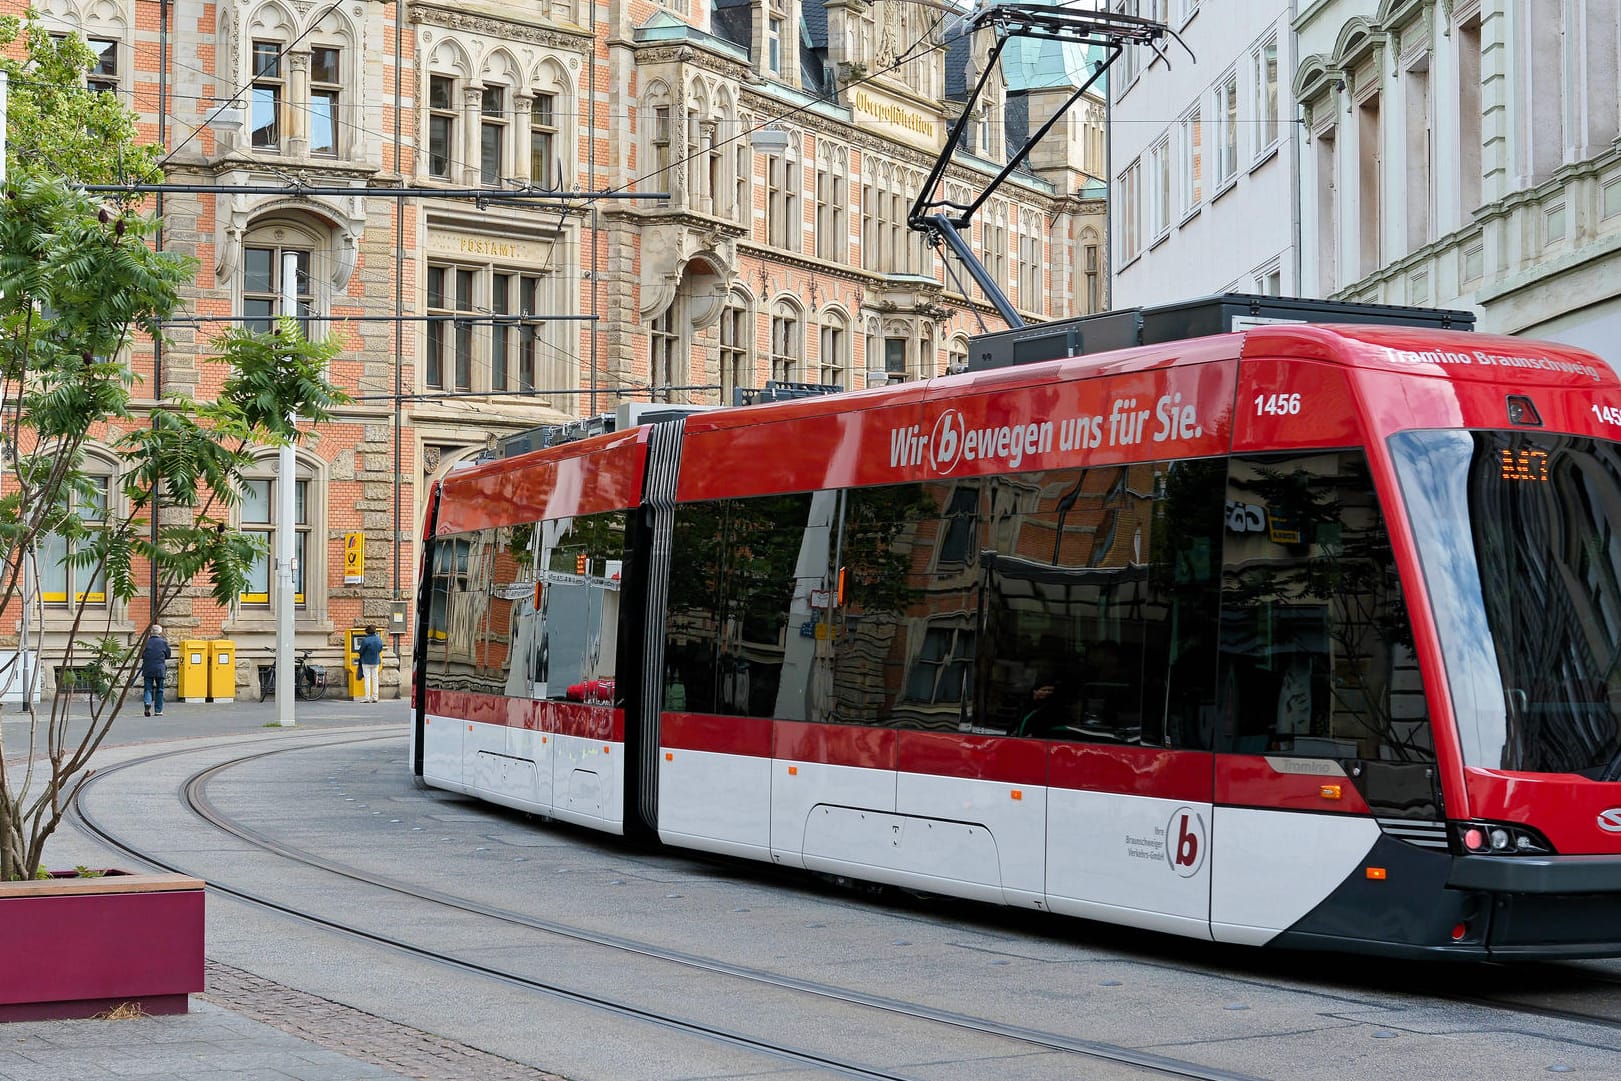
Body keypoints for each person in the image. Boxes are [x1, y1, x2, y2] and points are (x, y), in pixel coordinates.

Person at [141, 625, 171, 717]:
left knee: (148, 689)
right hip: (159, 668)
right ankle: (158, 711)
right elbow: (168, 655)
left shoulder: (146, 642)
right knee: (160, 689)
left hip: (148, 668)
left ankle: (147, 702)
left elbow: (142, 654)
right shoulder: (164, 643)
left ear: (151, 632)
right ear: (160, 633)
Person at [357, 625, 386, 702]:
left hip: (366, 661)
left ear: (367, 632)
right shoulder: (378, 639)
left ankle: (367, 697)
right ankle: (375, 697)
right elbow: (380, 649)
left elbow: (361, 651)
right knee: (375, 679)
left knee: (367, 679)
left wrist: (360, 653)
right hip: (375, 661)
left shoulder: (365, 640)